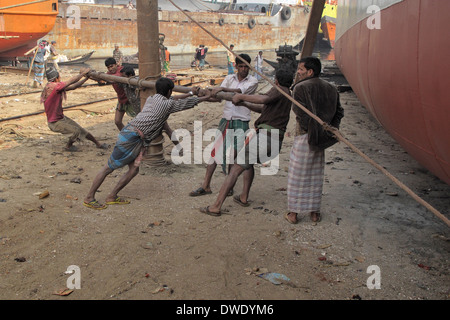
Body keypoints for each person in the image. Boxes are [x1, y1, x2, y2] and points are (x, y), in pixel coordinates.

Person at [83, 78, 211, 210]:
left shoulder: (152, 98)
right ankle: (89, 197)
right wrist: (206, 96)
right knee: (108, 168)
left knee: (133, 170)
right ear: (168, 91)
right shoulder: (167, 105)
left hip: (134, 137)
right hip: (132, 137)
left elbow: (174, 98)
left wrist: (190, 92)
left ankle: (112, 196)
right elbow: (188, 103)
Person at [199, 69, 294, 216]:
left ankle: (216, 206)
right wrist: (243, 103)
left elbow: (262, 100)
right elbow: (263, 108)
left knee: (235, 170)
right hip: (275, 140)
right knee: (248, 165)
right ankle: (243, 197)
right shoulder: (288, 94)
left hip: (265, 136)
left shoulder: (279, 90)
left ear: (276, 81)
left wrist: (240, 96)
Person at [285, 56, 344, 224]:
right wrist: (330, 130)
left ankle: (293, 214)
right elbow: (339, 112)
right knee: (315, 176)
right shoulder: (331, 88)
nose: (298, 72)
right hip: (322, 138)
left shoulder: (300, 87)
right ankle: (314, 213)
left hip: (305, 136)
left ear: (310, 72)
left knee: (297, 176)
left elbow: (301, 115)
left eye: (301, 69)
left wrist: (312, 130)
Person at [189, 53, 258, 197]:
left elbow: (239, 93)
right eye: (241, 66)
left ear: (250, 67)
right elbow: (218, 97)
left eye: (246, 66)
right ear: (236, 66)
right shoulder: (229, 78)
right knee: (215, 152)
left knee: (234, 155)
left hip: (241, 121)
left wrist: (221, 89)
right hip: (226, 119)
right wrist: (203, 96)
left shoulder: (253, 81)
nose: (244, 69)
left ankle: (230, 186)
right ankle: (205, 185)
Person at [40, 67, 108, 152]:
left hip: (61, 118)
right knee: (75, 131)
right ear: (57, 78)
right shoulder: (54, 86)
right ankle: (68, 146)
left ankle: (98, 144)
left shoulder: (53, 86)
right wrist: (83, 74)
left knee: (81, 130)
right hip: (55, 122)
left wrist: (86, 78)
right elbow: (71, 81)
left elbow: (73, 86)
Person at [104, 57, 130, 131]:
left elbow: (115, 77)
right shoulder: (109, 74)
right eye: (108, 67)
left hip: (130, 100)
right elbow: (103, 79)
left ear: (116, 65)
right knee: (117, 122)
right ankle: (127, 136)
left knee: (139, 120)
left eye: (111, 66)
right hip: (121, 100)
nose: (110, 69)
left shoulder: (122, 71)